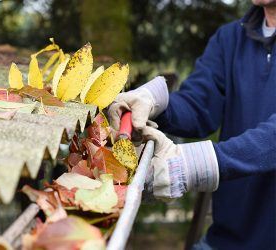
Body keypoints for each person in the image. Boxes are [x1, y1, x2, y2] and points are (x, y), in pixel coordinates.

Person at [108, 2, 275, 250]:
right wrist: (155, 101)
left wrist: (192, 165)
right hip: (226, 240)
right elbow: (198, 105)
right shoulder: (230, 38)